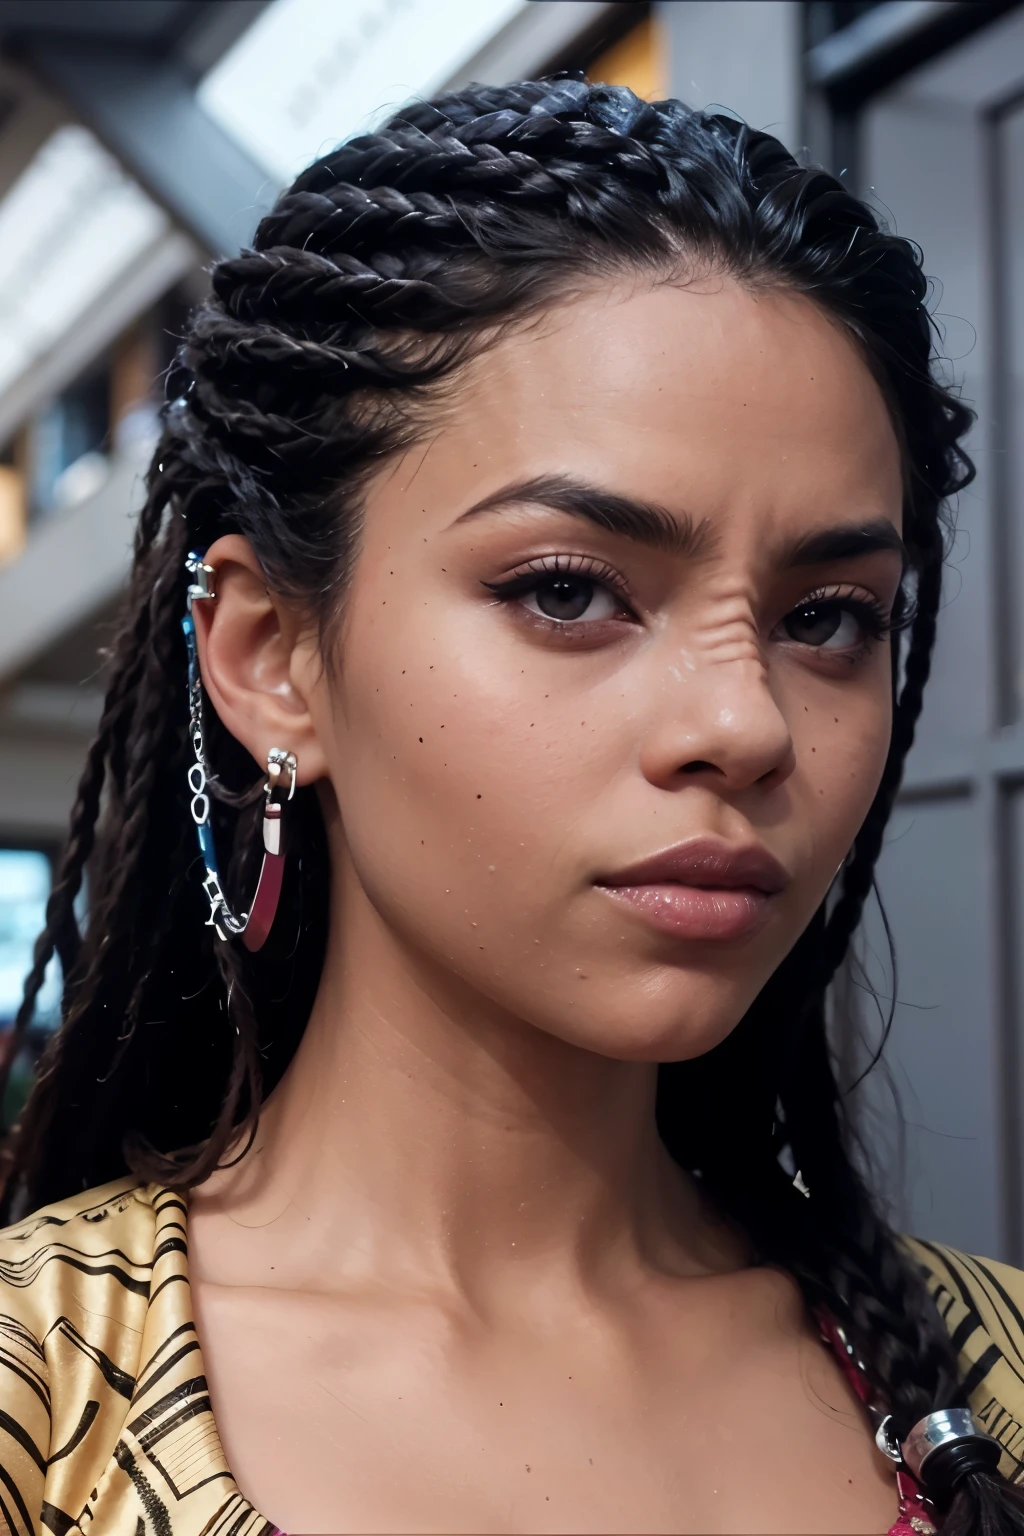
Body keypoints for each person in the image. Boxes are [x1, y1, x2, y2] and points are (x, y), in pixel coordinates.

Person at [0, 77, 1019, 1536]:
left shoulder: (986, 1389)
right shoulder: (44, 1400)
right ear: (272, 657)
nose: (743, 724)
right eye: (567, 591)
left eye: (831, 617)